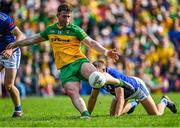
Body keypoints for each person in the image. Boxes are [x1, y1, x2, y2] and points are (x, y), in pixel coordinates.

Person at [6, 4, 121, 118]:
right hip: (65, 68)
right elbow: (34, 38)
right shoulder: (51, 30)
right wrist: (17, 43)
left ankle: (120, 83)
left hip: (79, 61)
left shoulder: (75, 29)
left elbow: (91, 43)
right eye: (64, 16)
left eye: (69, 17)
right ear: (57, 16)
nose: (67, 19)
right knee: (72, 92)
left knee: (96, 76)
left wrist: (106, 52)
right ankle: (85, 114)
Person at [88, 60, 177, 116]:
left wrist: (117, 118)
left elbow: (121, 98)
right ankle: (134, 104)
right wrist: (87, 114)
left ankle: (164, 101)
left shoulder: (113, 75)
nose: (95, 74)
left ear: (104, 70)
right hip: (123, 93)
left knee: (156, 114)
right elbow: (93, 97)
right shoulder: (96, 78)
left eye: (97, 72)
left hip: (136, 89)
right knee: (112, 115)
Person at [0, 12, 25, 117]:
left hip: (10, 52)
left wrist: (11, 50)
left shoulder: (4, 19)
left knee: (9, 85)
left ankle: (18, 110)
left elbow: (21, 35)